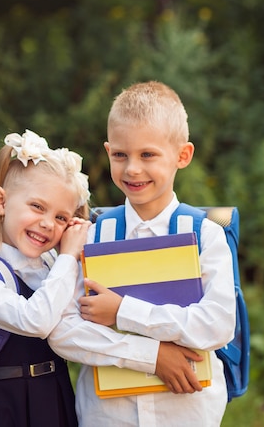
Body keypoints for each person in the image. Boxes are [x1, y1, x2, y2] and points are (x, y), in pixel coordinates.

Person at [48, 81, 236, 426]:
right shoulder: (90, 235)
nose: (132, 168)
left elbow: (218, 325)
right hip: (107, 415)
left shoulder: (203, 234)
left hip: (187, 412)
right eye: (120, 155)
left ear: (183, 155)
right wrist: (153, 356)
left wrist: (123, 312)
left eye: (147, 154)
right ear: (107, 152)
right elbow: (62, 331)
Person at [0, 129, 92, 427]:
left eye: (61, 218)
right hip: (1, 408)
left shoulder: (50, 262)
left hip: (53, 396)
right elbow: (36, 321)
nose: (47, 224)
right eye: (37, 207)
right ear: (1, 202)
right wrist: (68, 257)